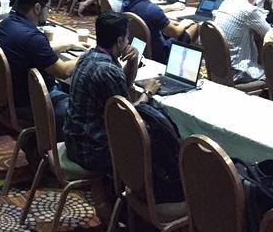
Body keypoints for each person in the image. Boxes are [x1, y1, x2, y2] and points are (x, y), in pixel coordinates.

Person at [60, 11, 184, 202]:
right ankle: (149, 202)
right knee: (156, 145)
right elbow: (129, 120)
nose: (128, 42)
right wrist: (147, 93)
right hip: (91, 150)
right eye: (126, 38)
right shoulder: (108, 70)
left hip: (74, 138)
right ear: (119, 41)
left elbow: (122, 86)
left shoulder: (88, 56)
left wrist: (133, 60)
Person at [0, 0, 80, 174]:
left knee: (67, 90)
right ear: (36, 8)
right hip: (28, 103)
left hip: (8, 97)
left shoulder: (5, 25)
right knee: (77, 104)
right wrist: (89, 54)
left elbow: (31, 51)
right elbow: (63, 71)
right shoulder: (33, 37)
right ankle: (58, 159)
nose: (48, 13)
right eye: (48, 8)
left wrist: (64, 47)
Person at [122, 0, 197, 65]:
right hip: (159, 55)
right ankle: (180, 63)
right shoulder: (152, 10)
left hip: (139, 48)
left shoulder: (126, 1)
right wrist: (184, 23)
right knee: (193, 26)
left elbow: (151, 19)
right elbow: (176, 33)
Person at [213, 0, 272, 82]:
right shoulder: (248, 9)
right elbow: (270, 35)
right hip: (238, 71)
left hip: (220, 67)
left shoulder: (226, 2)